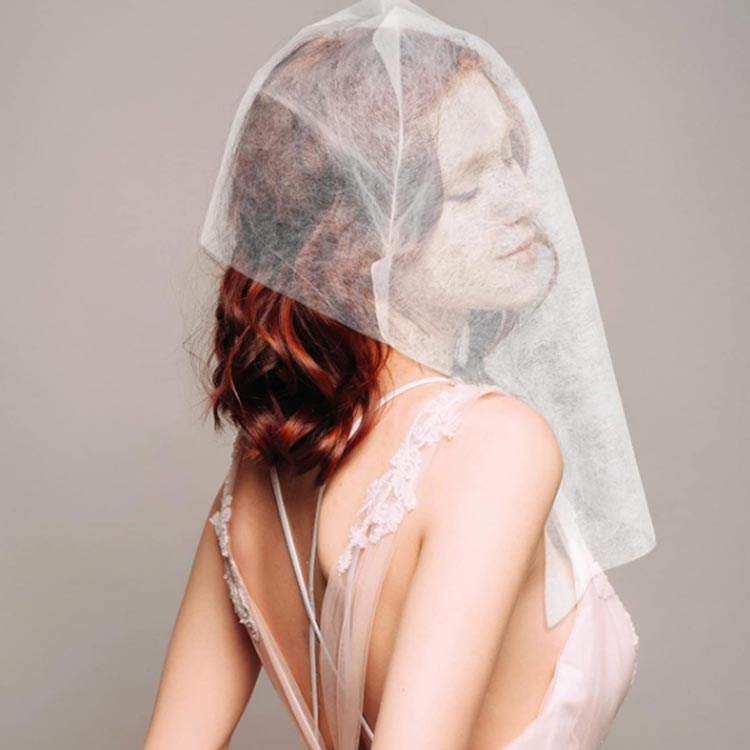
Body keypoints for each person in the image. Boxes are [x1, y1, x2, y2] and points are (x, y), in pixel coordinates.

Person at [144, 2, 655, 748]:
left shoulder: (258, 476)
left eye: (511, 158)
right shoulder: (494, 446)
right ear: (359, 239)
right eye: (470, 186)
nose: (525, 200)